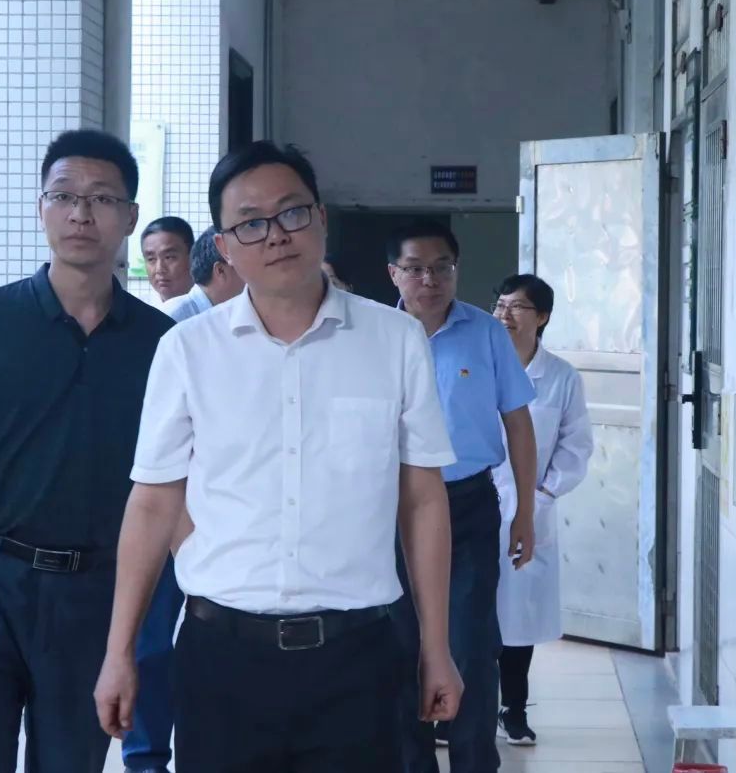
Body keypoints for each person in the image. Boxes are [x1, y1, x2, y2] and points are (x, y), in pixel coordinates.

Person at [94, 141, 464, 773]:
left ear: (320, 218)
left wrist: (437, 645)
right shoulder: (187, 350)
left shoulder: (395, 340)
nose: (275, 235)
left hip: (358, 656)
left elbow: (423, 500)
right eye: (251, 223)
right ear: (225, 246)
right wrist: (119, 651)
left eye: (292, 212)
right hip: (221, 658)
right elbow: (154, 502)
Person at [0, 129, 173, 773]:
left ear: (130, 216)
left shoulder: (163, 346)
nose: (81, 213)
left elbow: (169, 492)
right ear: (41, 208)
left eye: (102, 198)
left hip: (92, 594)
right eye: (65, 196)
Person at [387, 220, 538, 773]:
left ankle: (474, 762)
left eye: (442, 268)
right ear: (394, 274)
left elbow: (518, 423)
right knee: (401, 642)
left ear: (456, 270)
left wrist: (524, 512)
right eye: (416, 269)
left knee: (472, 641)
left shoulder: (487, 333)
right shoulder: (375, 335)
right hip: (393, 508)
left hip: (468, 504)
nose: (430, 280)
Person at [123, 227, 244, 772]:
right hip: (173, 516)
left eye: (167, 255)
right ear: (224, 267)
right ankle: (146, 759)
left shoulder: (239, 328)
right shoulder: (177, 327)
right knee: (153, 644)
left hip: (217, 518)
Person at [491, 274, 594, 746]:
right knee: (469, 614)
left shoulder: (561, 377)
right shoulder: (481, 366)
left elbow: (576, 445)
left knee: (520, 617)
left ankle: (513, 710)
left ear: (543, 317)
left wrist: (543, 496)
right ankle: (459, 711)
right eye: (500, 305)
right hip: (473, 506)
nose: (505, 315)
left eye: (517, 307)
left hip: (530, 508)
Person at [161, 227, 246, 323]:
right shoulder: (173, 316)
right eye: (245, 265)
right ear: (220, 270)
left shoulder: (231, 313)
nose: (251, 275)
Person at [142, 216, 196, 302]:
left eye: (168, 257)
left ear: (192, 257)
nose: (159, 269)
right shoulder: (139, 307)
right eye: (151, 259)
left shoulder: (213, 304)